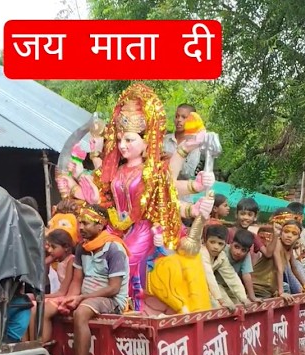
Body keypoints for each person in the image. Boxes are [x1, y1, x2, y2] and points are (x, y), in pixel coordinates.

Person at [91, 84, 209, 313]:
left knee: (127, 255)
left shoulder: (152, 171)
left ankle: (128, 304)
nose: (122, 146)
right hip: (115, 227)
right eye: (120, 140)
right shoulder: (116, 170)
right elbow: (102, 192)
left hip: (144, 228)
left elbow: (170, 188)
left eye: (129, 140)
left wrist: (187, 155)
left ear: (146, 143)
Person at [54, 203, 130, 355]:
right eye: (80, 222)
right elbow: (77, 281)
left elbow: (113, 288)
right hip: (87, 298)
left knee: (81, 313)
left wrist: (80, 299)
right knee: (48, 308)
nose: (80, 227)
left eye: (86, 223)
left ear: (100, 226)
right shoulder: (82, 248)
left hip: (111, 300)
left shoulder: (114, 249)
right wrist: (69, 299)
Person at [204, 224, 249, 306]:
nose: (216, 247)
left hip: (210, 285)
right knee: (217, 306)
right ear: (205, 241)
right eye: (212, 242)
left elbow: (231, 276)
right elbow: (209, 276)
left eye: (220, 244)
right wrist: (220, 301)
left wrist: (243, 298)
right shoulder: (202, 252)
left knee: (236, 303)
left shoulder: (221, 256)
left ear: (225, 245)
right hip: (194, 284)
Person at [162, 103, 203, 180]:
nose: (179, 120)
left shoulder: (193, 145)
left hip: (180, 189)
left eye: (184, 117)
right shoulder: (164, 139)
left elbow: (190, 173)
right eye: (177, 116)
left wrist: (174, 158)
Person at [228, 229, 258, 301]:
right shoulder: (223, 250)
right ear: (231, 243)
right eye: (236, 247)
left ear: (248, 251)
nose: (238, 252)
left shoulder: (246, 256)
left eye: (243, 250)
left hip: (232, 287)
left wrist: (252, 296)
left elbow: (246, 275)